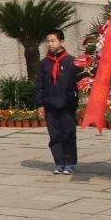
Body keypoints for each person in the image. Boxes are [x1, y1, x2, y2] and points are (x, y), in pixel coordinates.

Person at [35, 29, 78, 175]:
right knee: (54, 136)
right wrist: (40, 103)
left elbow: (79, 83)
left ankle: (70, 163)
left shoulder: (72, 61)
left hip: (67, 105)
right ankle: (59, 162)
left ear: (61, 41)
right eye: (48, 41)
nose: (50, 44)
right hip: (50, 105)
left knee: (68, 133)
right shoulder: (44, 64)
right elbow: (39, 85)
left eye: (53, 40)